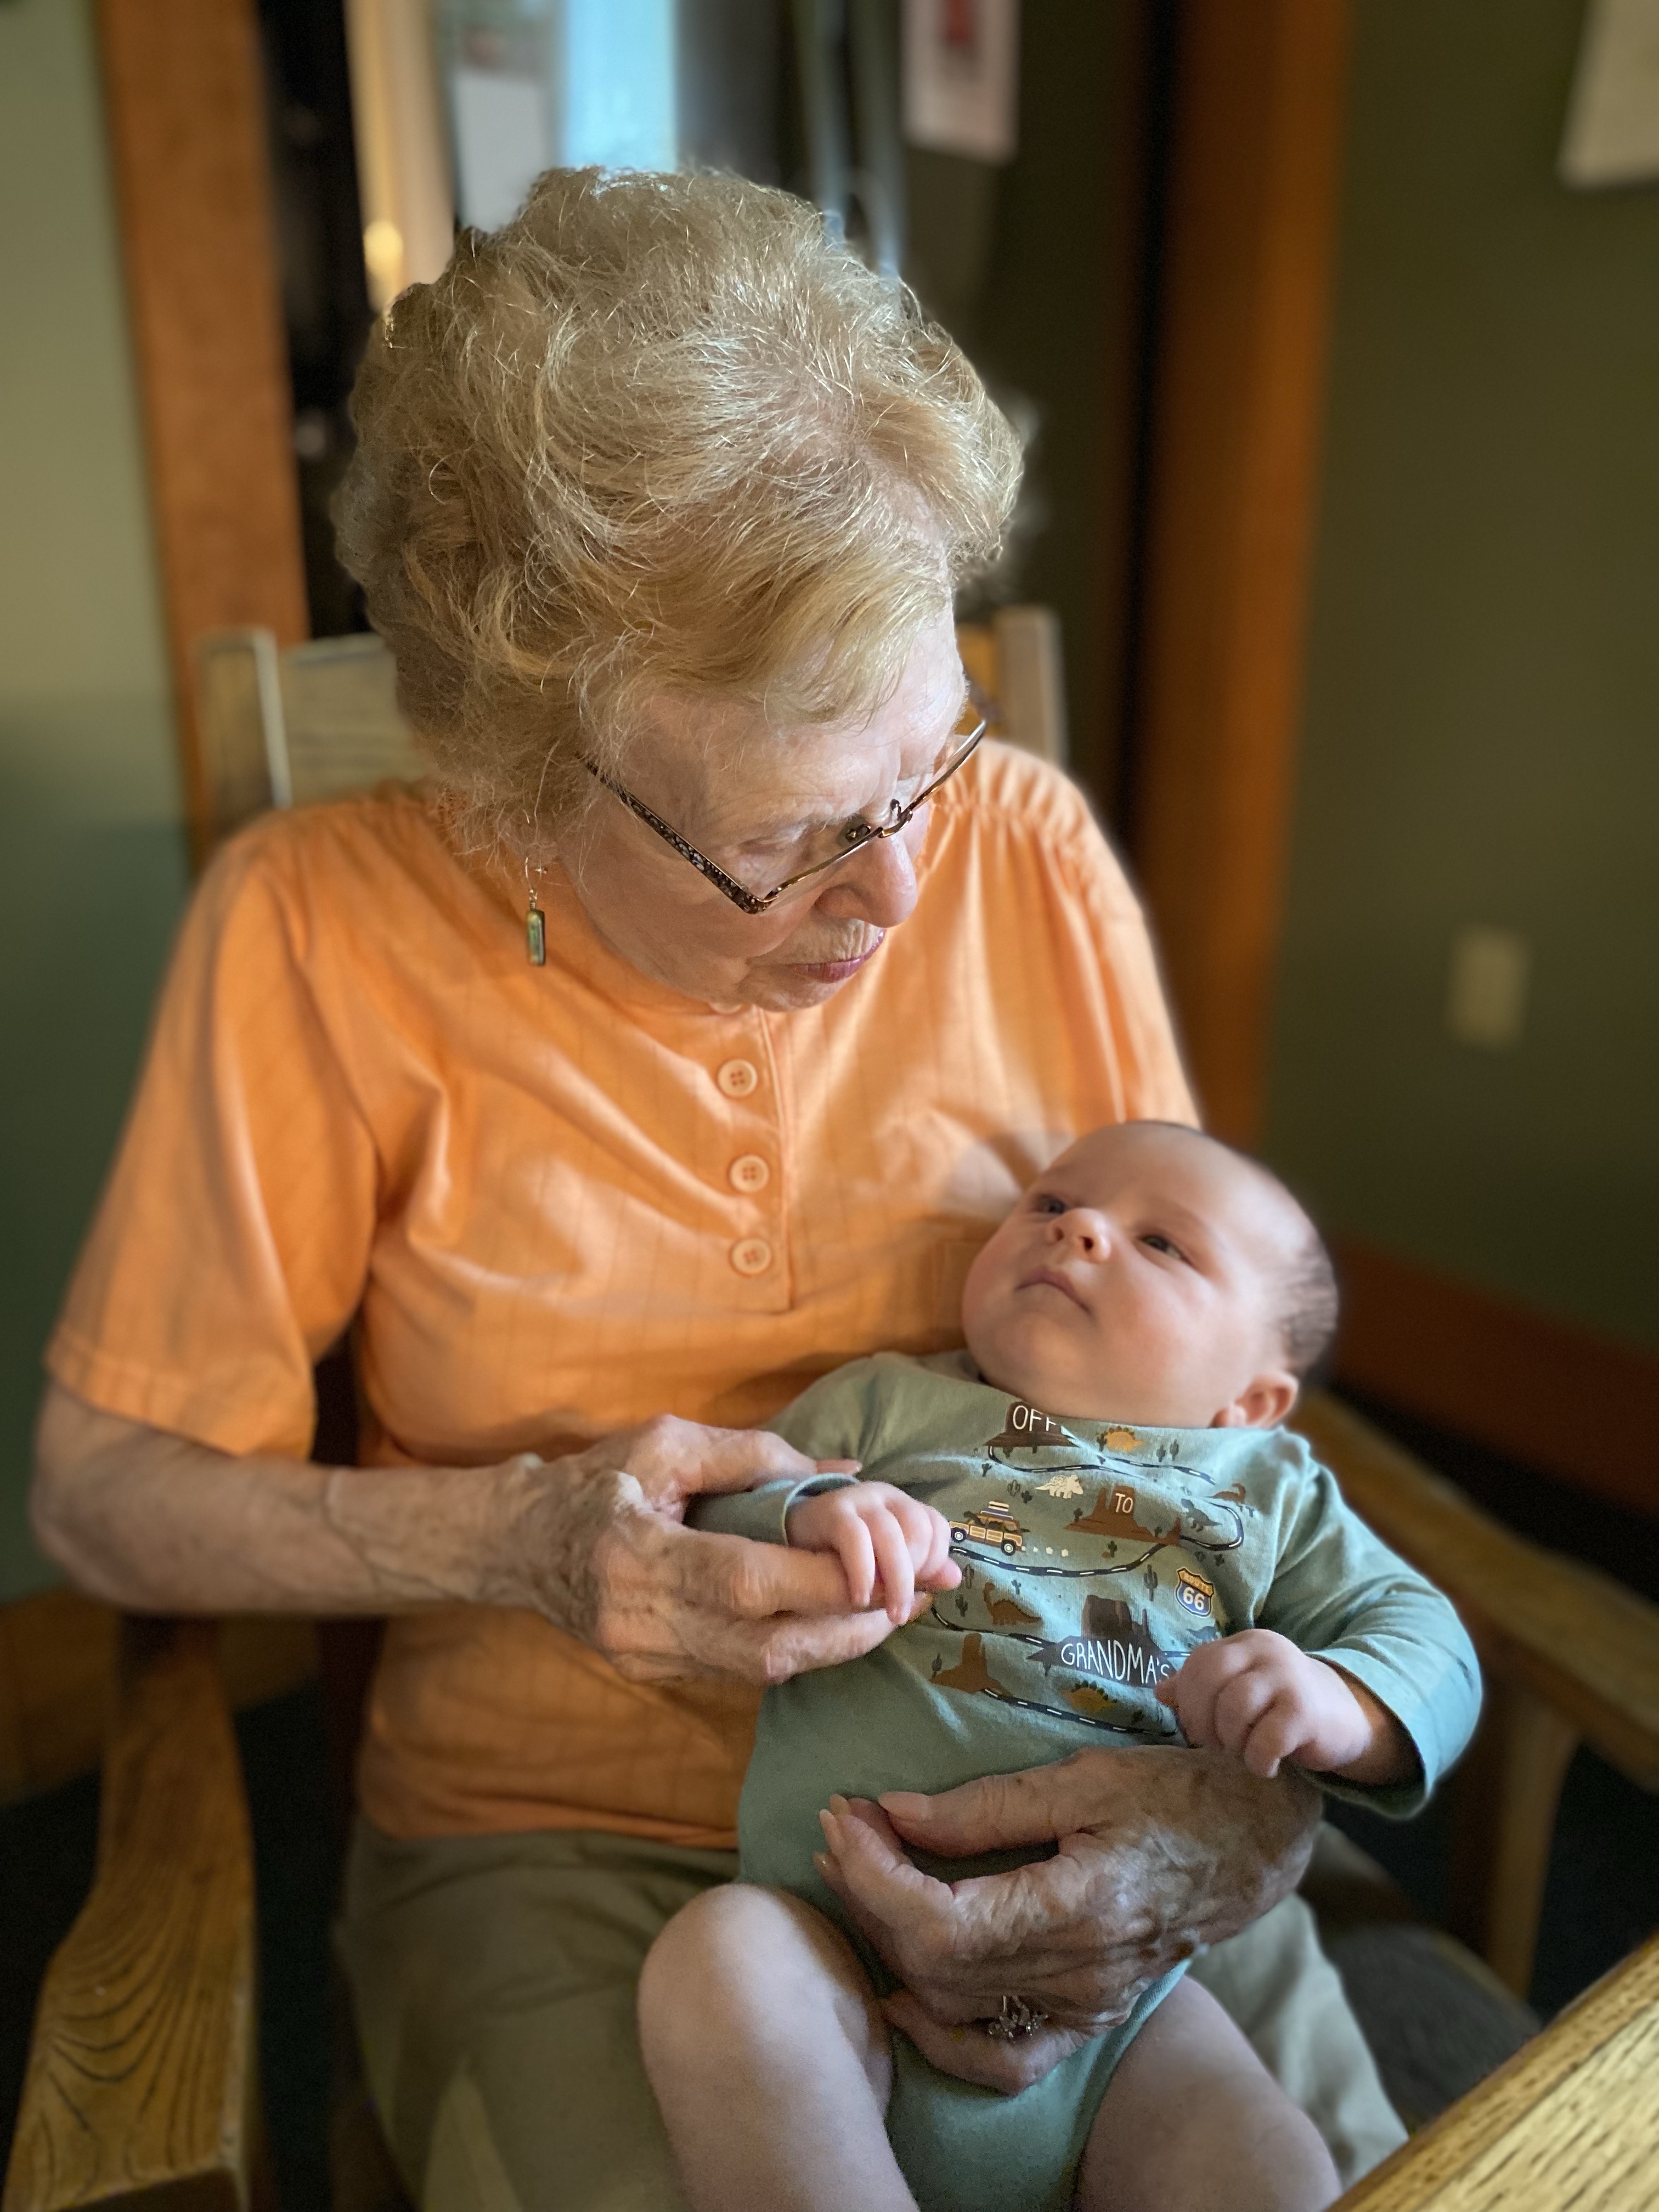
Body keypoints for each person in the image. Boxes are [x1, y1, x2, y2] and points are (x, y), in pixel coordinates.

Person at [32, 169, 1401, 2210]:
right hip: (558, 1838)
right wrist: (517, 1539)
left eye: (926, 766)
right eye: (794, 840)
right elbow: (101, 1490)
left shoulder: (1020, 852)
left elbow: (1210, 1382)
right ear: (520, 777)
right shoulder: (316, 929)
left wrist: (1232, 1819)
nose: (903, 895)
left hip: (1078, 1761)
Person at [642, 1122, 1481, 2211]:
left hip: (1121, 2020)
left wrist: (1343, 1698)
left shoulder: (1266, 1485)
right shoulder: (889, 1402)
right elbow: (718, 1504)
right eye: (1048, 1205)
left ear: (1253, 1400)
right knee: (716, 1963)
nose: (1078, 1229)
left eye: (1165, 1245)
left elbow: (1430, 1642)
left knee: (1272, 2166)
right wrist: (809, 1512)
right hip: (831, 1944)